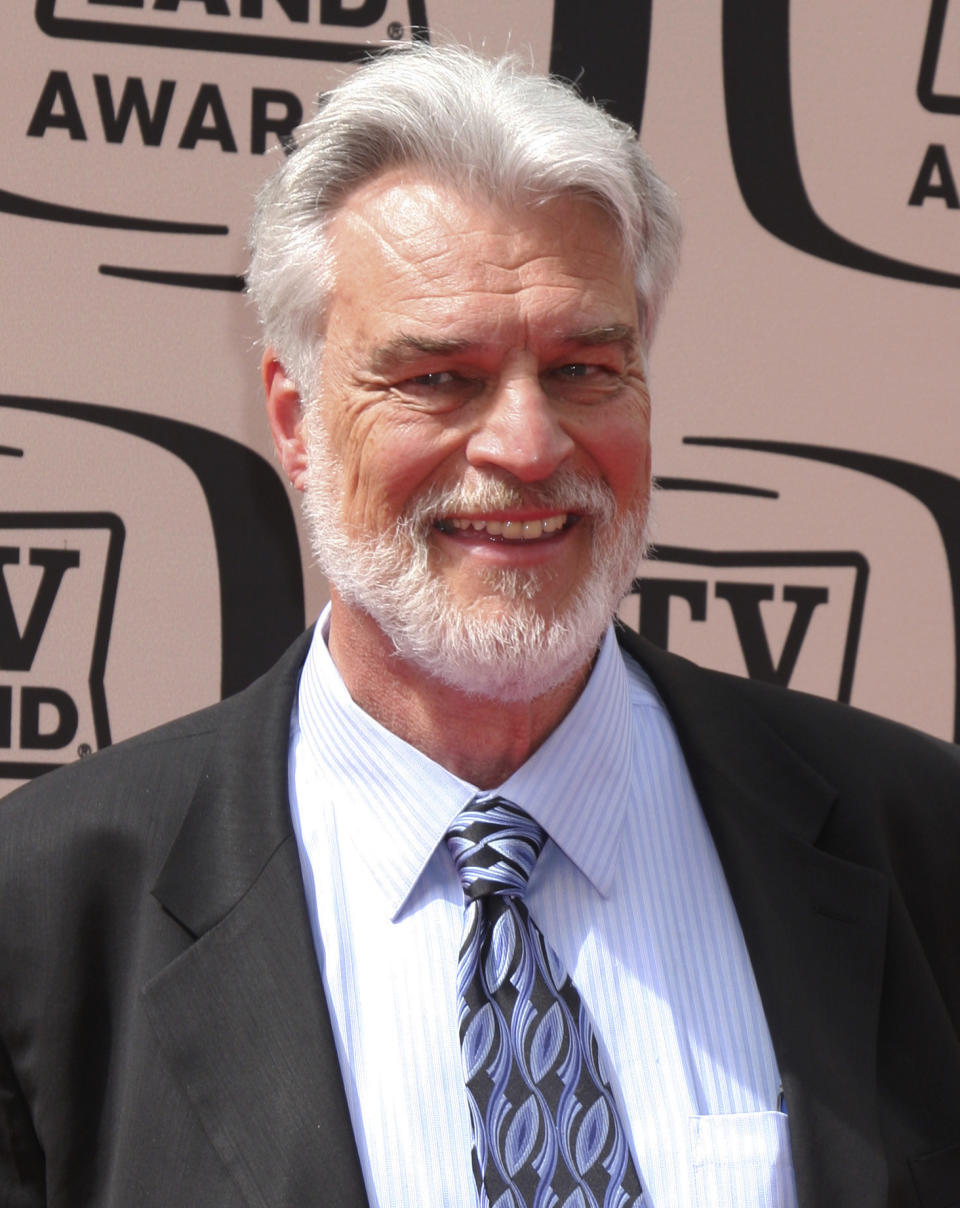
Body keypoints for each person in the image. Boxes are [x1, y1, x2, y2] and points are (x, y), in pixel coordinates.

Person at [1, 44, 959, 1208]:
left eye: (583, 367)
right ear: (297, 422)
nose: (528, 445)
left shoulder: (921, 843)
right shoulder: (46, 913)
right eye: (441, 379)